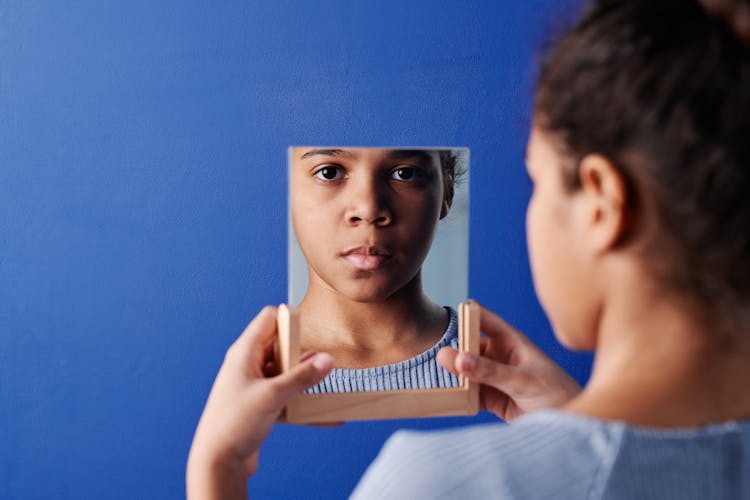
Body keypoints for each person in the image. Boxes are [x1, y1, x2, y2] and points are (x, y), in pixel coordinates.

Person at [186, 0, 750, 498]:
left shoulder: (444, 484)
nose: (368, 207)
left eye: (538, 181)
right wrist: (572, 421)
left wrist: (218, 467)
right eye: (330, 171)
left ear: (600, 202)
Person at [290, 147, 464, 392]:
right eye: (329, 173)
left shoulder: (495, 363)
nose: (369, 209)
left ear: (448, 189)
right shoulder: (251, 371)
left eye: (405, 173)